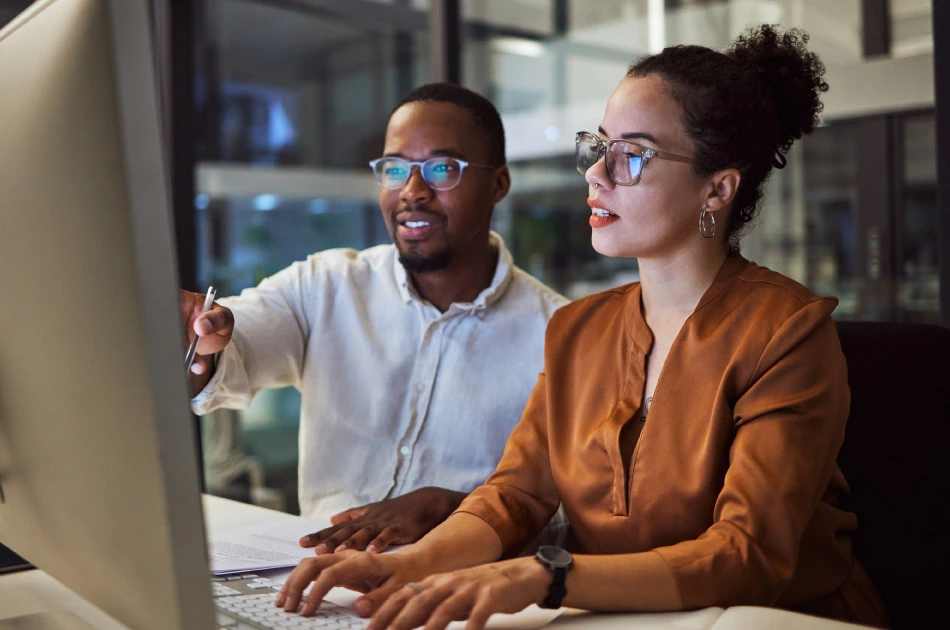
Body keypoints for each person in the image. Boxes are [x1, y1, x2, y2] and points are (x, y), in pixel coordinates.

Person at [274, 25, 889, 629]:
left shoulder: (787, 331)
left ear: (717, 188)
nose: (597, 173)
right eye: (598, 147)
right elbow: (514, 495)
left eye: (633, 155)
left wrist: (546, 576)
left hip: (774, 620)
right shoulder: (578, 328)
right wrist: (408, 566)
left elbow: (747, 555)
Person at [182, 83, 568, 553]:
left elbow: (571, 513)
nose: (412, 191)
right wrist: (202, 337)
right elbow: (236, 346)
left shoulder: (561, 334)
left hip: (463, 591)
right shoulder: (325, 284)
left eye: (442, 169)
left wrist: (454, 508)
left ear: (498, 185)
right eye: (395, 168)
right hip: (318, 573)